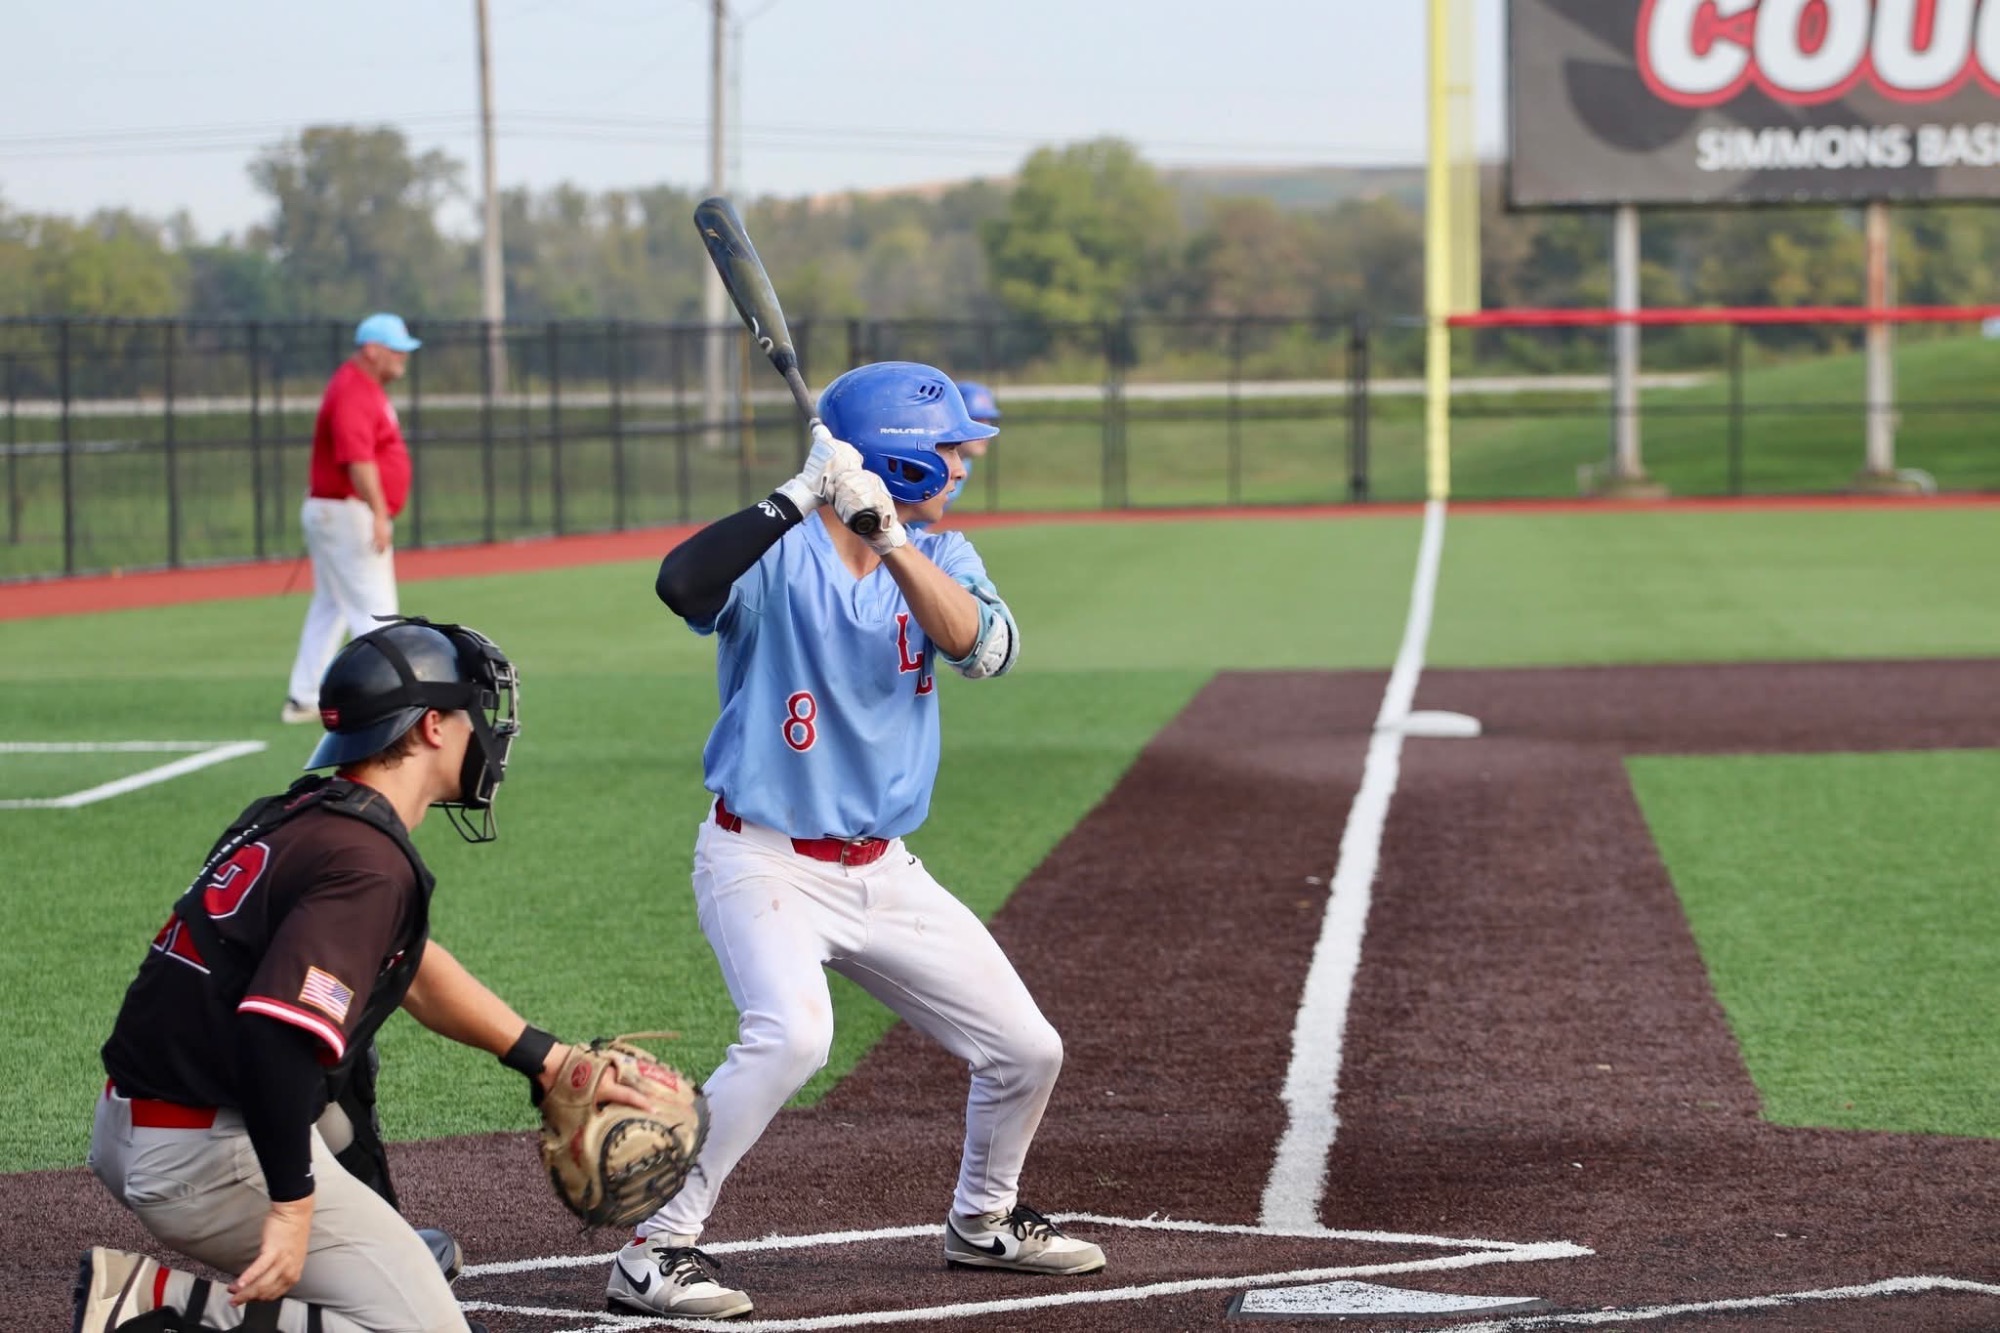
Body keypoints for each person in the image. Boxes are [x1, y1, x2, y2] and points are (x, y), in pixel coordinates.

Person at [607, 362, 1104, 1320]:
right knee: (792, 1035)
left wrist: (890, 537)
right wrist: (801, 496)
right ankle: (654, 1248)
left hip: (884, 870)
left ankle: (983, 1222)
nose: (964, 463)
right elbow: (679, 581)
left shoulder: (946, 556)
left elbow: (984, 650)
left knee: (1026, 1049)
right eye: (951, 449)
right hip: (762, 859)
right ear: (902, 457)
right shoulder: (775, 559)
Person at [77, 617, 650, 1333]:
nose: (490, 735)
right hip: (202, 1152)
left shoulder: (301, 812)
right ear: (433, 727)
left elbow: (406, 969)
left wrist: (549, 1058)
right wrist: (292, 1207)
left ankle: (366, 1252)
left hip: (137, 1119)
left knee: (347, 1051)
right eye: (476, 712)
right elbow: (271, 1038)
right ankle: (164, 1312)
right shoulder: (368, 862)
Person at [282, 314, 422, 726]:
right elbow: (358, 460)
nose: (402, 358)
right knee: (375, 607)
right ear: (371, 349)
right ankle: (385, 697)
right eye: (396, 350)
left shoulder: (362, 387)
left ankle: (305, 695)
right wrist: (379, 512)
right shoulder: (353, 390)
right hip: (346, 510)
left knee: (332, 605)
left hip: (337, 508)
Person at [947, 380, 1000, 508]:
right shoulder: (929, 464)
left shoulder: (965, 464)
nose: (985, 431)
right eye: (976, 421)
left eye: (987, 421)